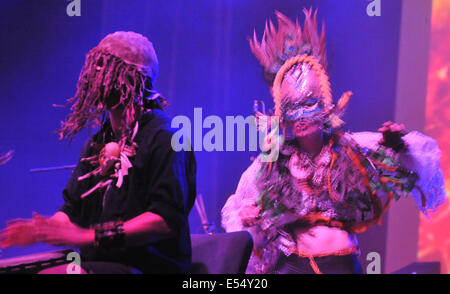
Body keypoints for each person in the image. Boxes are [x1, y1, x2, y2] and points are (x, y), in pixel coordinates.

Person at [221, 9, 446, 274]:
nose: (302, 118)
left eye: (308, 106)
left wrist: (397, 145)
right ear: (284, 117)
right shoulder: (274, 161)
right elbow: (241, 206)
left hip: (339, 263)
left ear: (325, 108)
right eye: (293, 110)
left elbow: (410, 166)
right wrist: (249, 214)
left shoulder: (351, 149)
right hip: (290, 264)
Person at [0, 31, 197, 274]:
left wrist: (90, 236)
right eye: (93, 66)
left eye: (103, 66)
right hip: (100, 265)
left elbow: (165, 221)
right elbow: (72, 209)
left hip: (147, 267)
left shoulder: (167, 138)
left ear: (134, 77)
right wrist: (45, 229)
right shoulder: (96, 144)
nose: (93, 75)